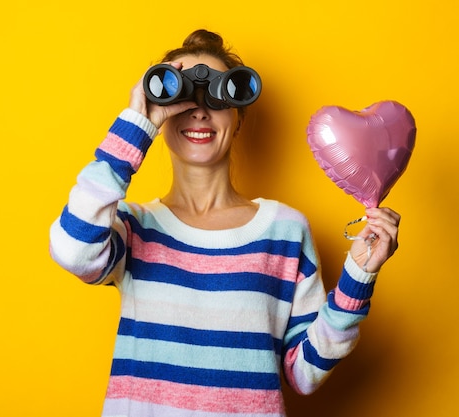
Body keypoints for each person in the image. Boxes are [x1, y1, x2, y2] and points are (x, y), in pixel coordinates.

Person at [49, 29, 401, 417]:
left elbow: (304, 373)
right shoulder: (133, 227)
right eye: (183, 97)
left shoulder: (283, 230)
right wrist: (135, 122)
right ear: (160, 119)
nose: (199, 111)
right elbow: (72, 250)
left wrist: (359, 276)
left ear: (238, 118)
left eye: (218, 96)